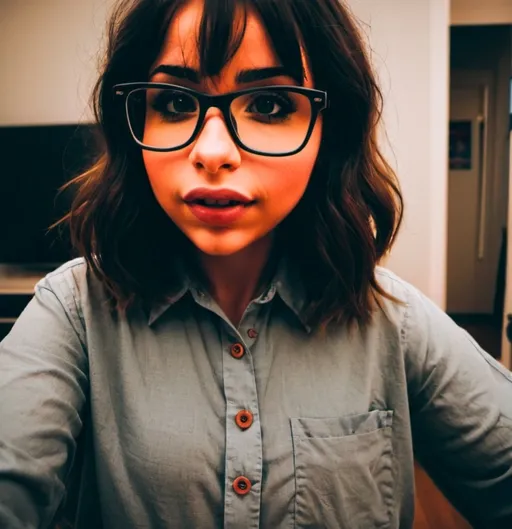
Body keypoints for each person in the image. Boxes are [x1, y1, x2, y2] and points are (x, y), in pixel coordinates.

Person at [1, 0, 511, 527]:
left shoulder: (394, 323)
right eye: (175, 102)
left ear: (327, 129)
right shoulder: (73, 315)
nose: (214, 152)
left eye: (268, 105)